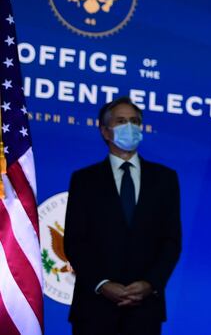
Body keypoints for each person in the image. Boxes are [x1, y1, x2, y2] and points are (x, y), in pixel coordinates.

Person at [63, 97, 182, 335]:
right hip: (94, 310)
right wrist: (102, 284)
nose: (130, 127)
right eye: (121, 121)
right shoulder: (84, 180)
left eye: (134, 121)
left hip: (145, 310)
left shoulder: (165, 179)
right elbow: (75, 242)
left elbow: (171, 241)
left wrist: (150, 284)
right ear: (105, 131)